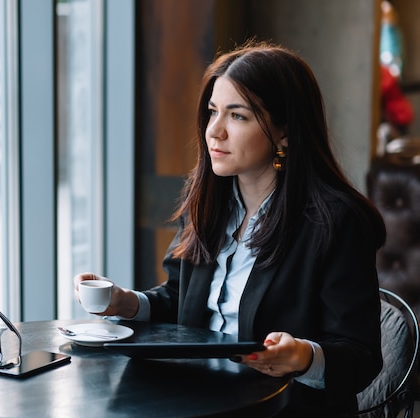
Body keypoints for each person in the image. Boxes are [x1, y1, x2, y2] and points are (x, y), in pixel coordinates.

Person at [74, 40, 385, 417]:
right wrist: (127, 303)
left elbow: (361, 356)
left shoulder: (335, 221)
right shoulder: (210, 202)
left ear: (285, 132)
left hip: (280, 408)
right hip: (198, 398)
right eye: (212, 112)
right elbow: (181, 302)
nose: (214, 132)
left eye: (237, 116)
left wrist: (303, 357)